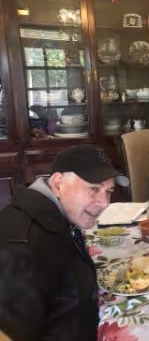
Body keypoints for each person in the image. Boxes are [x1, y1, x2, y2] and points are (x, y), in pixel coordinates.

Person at [0, 144, 117, 341]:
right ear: (58, 183)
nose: (105, 202)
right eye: (94, 189)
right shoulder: (21, 246)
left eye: (109, 191)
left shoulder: (57, 215)